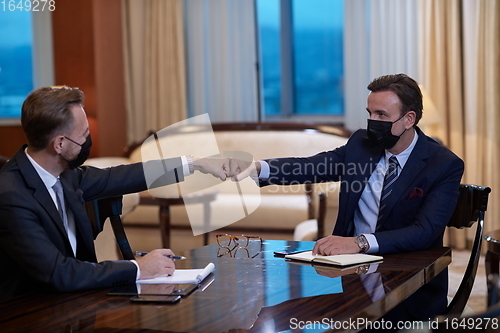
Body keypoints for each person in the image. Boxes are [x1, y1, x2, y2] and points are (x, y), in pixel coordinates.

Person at [230, 74, 464, 323]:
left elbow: (424, 231)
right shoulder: (361, 145)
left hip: (407, 285)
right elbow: (311, 167)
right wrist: (254, 168)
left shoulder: (443, 164)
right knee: (280, 313)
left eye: (381, 115)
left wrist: (359, 242)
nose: (372, 121)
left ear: (409, 119)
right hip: (350, 276)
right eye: (370, 113)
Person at [0, 86, 228, 300]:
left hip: (72, 302)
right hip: (27, 312)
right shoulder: (11, 195)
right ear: (59, 144)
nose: (87, 140)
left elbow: (121, 176)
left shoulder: (65, 174)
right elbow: (59, 272)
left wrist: (193, 163)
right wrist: (139, 267)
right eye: (84, 134)